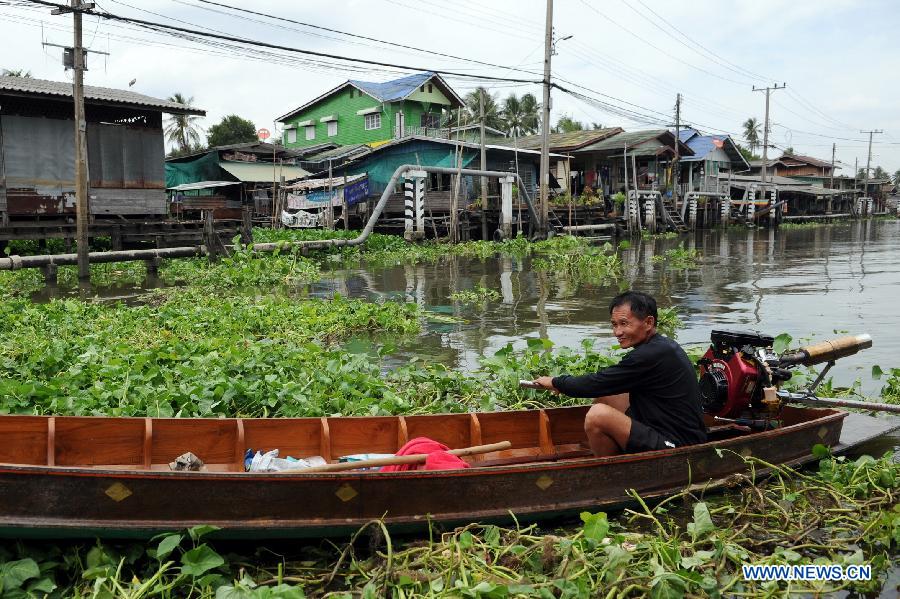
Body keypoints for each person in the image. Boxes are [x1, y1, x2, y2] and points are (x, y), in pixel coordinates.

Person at [533, 291, 706, 456]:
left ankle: (613, 471)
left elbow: (597, 383)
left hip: (679, 444)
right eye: (614, 325)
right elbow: (605, 385)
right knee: (609, 396)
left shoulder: (649, 355)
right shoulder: (660, 346)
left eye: (624, 324)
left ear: (648, 323)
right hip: (660, 426)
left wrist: (556, 382)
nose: (617, 332)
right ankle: (599, 448)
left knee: (597, 414)